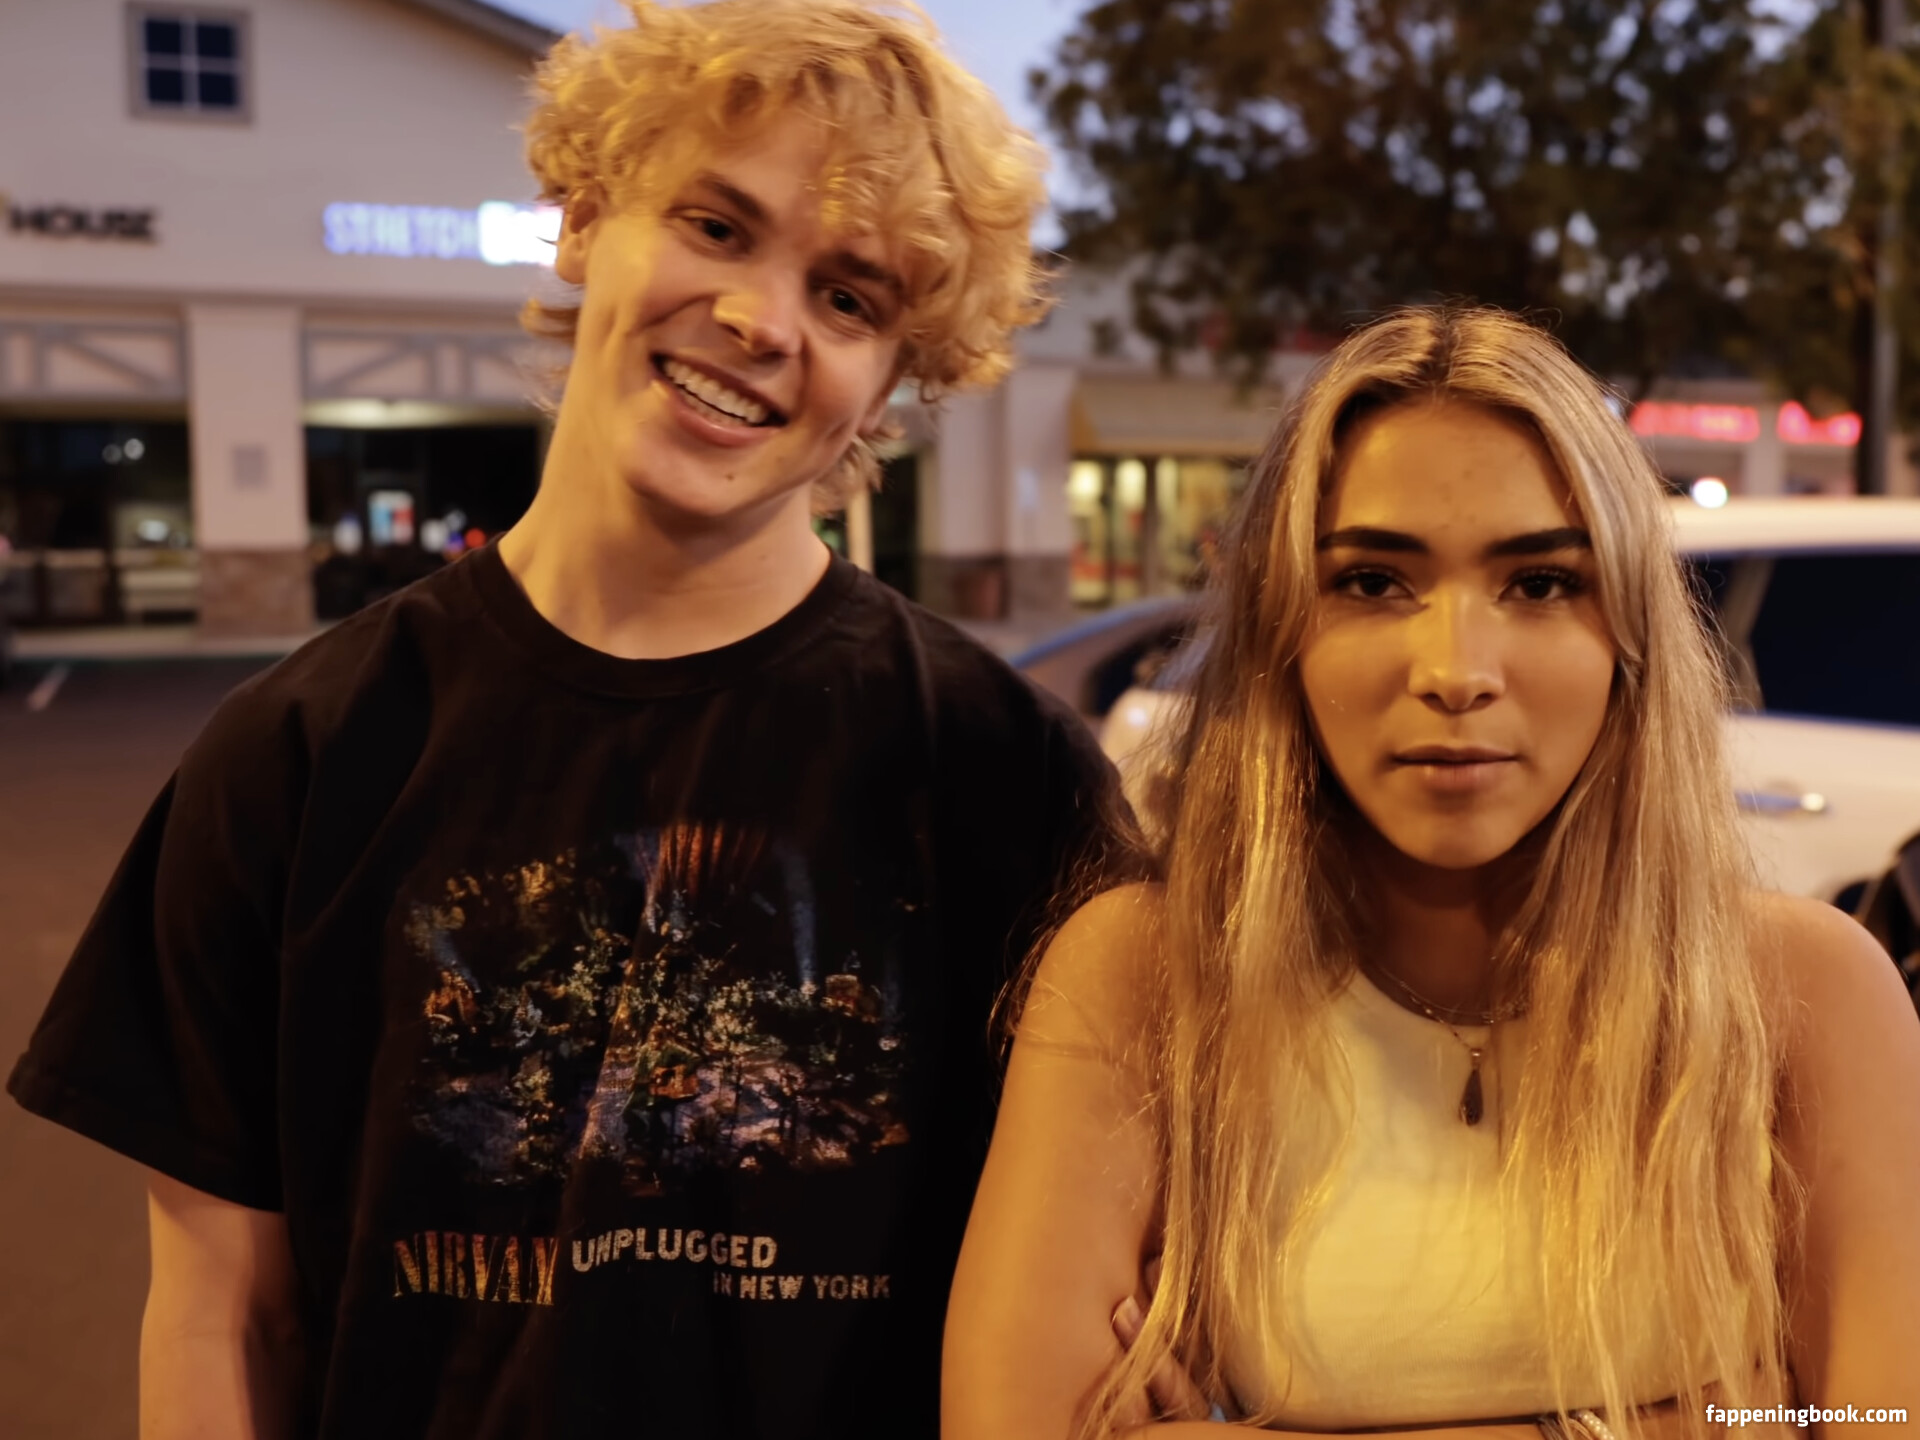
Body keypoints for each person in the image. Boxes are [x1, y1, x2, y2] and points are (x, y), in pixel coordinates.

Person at [7, 4, 1123, 1436]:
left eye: (850, 298)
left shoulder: (1004, 778)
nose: (761, 320)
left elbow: (1096, 1294)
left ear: (893, 380)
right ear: (585, 218)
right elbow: (224, 1315)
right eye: (717, 226)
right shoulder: (295, 753)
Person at [943, 307, 1920, 1438]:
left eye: (1540, 584)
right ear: (1280, 632)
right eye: (1372, 582)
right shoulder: (1146, 976)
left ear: (1632, 638)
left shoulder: (1808, 994)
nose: (1456, 671)